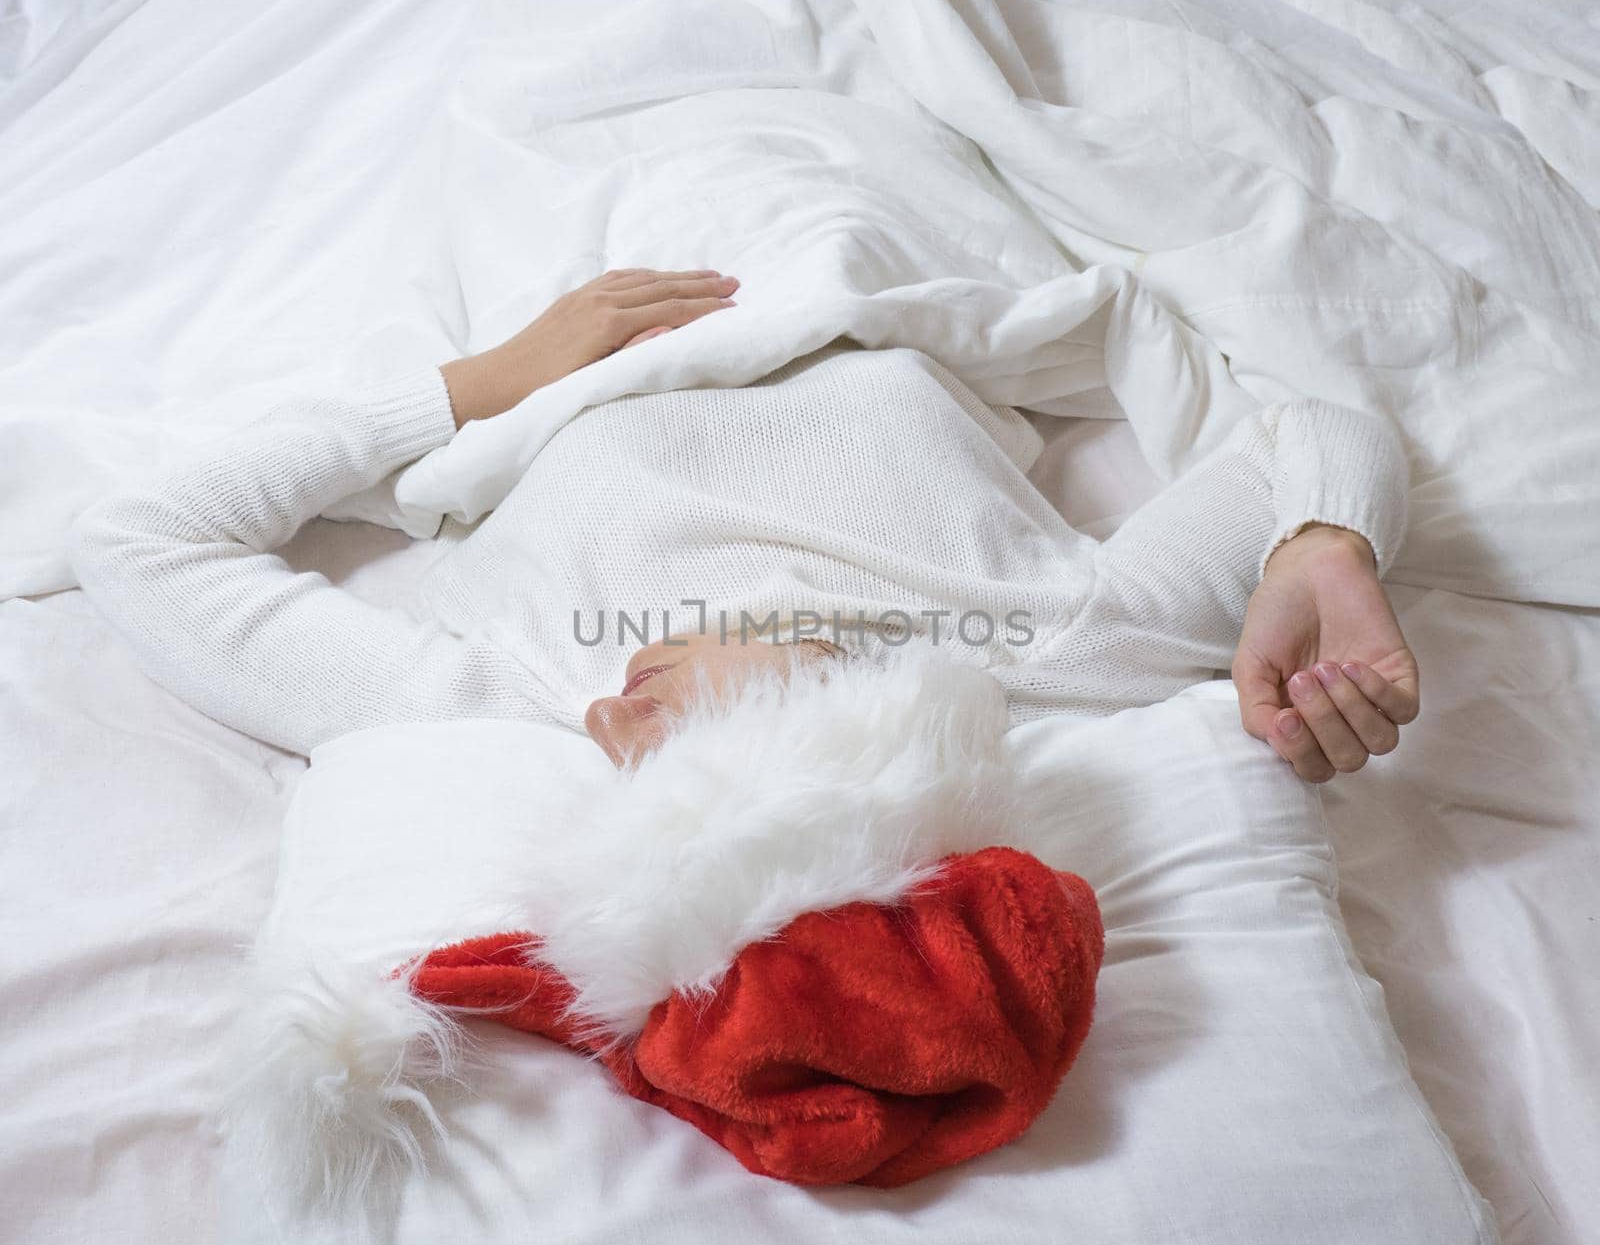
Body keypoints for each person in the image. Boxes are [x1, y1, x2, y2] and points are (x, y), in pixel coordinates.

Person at [69, 267, 1420, 784]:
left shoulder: (534, 695)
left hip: (554, 261)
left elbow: (141, 543)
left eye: (634, 795)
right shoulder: (1049, 643)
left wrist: (486, 381)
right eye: (714, 773)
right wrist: (1325, 549)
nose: (617, 732)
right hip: (862, 242)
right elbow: (1310, 425)